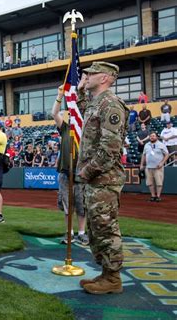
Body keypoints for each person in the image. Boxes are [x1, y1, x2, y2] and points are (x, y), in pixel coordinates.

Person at [76, 61, 129, 294]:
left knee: (106, 227)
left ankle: (113, 278)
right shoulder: (96, 103)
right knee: (96, 227)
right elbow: (84, 109)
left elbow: (110, 149)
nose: (86, 76)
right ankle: (106, 274)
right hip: (95, 180)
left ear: (106, 78)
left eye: (91, 73)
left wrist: (86, 171)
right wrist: (78, 91)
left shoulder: (111, 105)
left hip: (104, 179)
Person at [52, 84, 88, 246]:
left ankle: (82, 233)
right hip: (65, 172)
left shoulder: (85, 131)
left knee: (82, 204)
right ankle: (69, 233)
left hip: (81, 173)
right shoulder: (65, 128)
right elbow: (54, 113)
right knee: (67, 205)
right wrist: (60, 96)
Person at [140, 132, 169, 202]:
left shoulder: (161, 145)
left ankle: (158, 196)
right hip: (148, 167)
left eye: (153, 136)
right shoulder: (147, 145)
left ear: (156, 137)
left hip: (158, 167)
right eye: (150, 136)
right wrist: (141, 164)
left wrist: (162, 163)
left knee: (159, 183)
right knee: (150, 183)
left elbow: (167, 154)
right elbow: (143, 155)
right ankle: (153, 196)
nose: (152, 137)